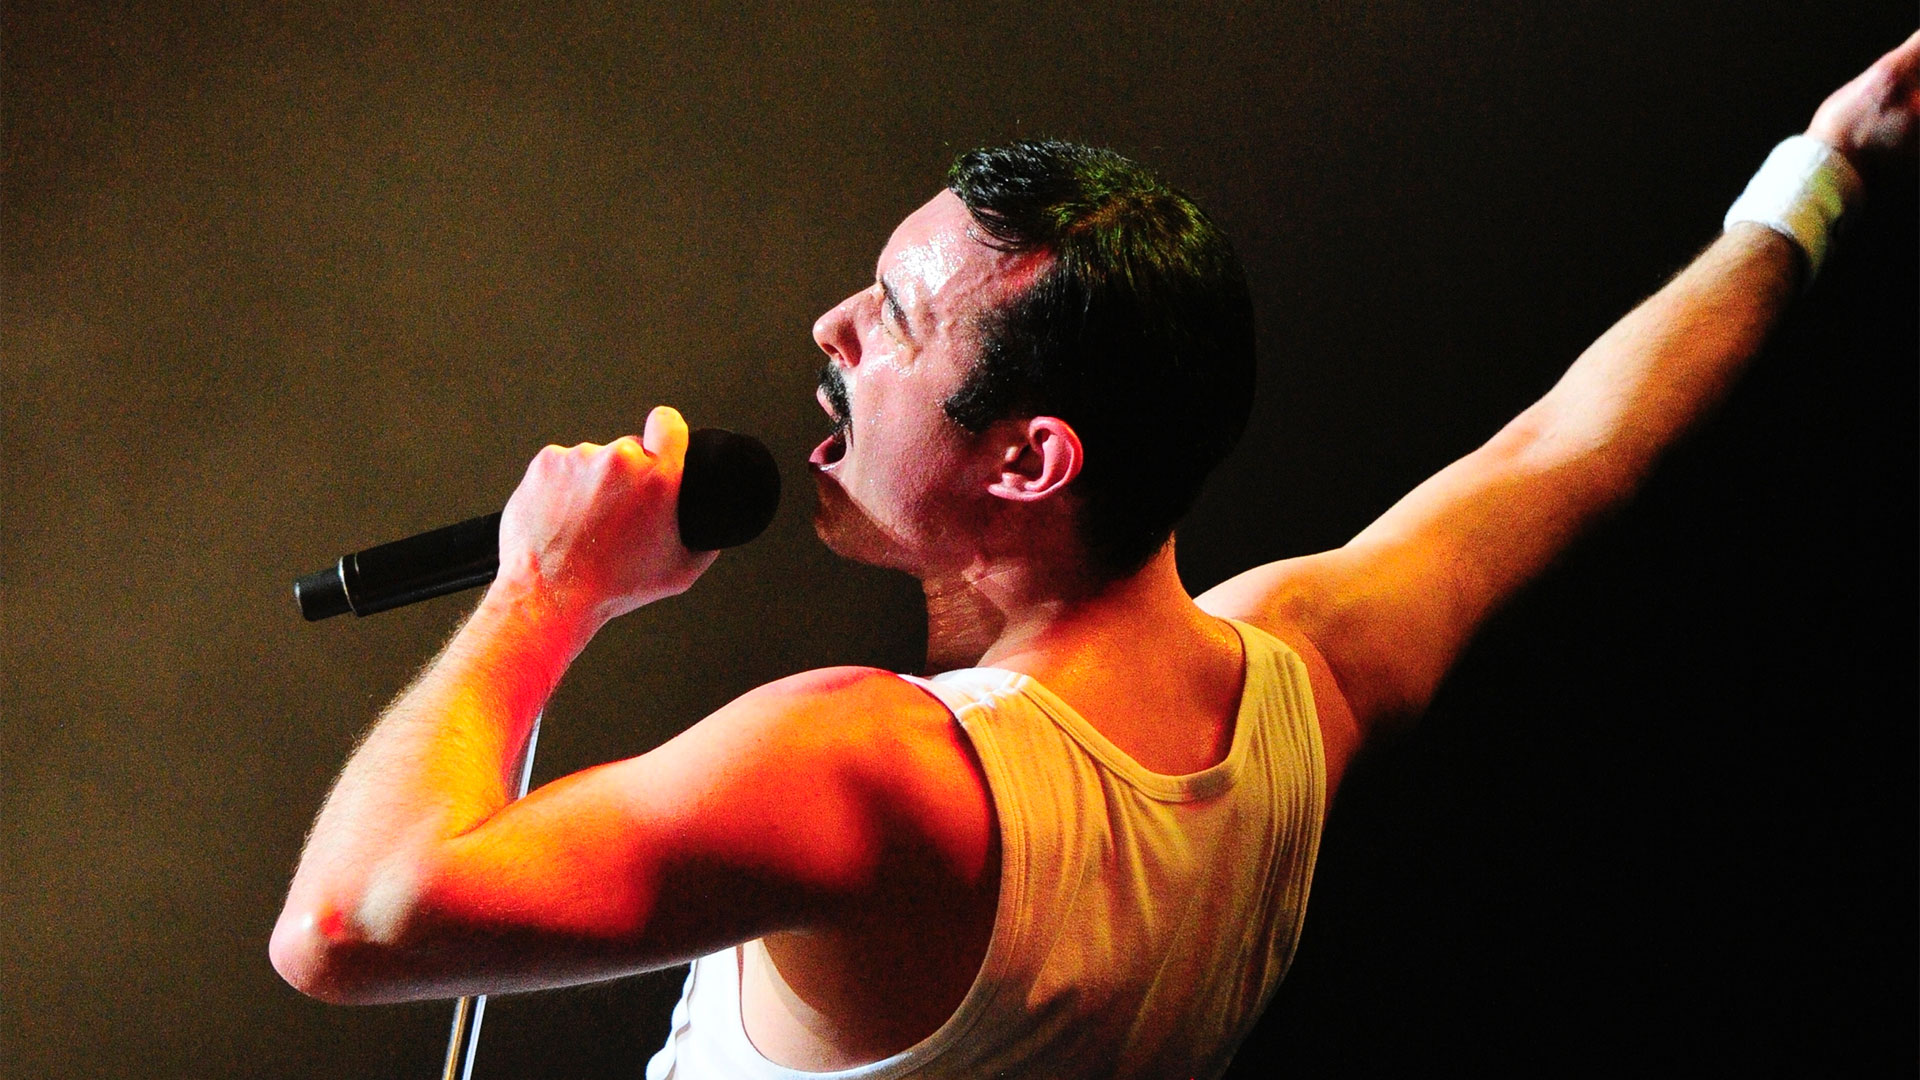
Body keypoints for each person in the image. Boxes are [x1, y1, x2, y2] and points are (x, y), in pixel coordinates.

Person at [271, 34, 1919, 1079]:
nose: (834, 332)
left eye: (898, 319)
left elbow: (345, 929)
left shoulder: (882, 773)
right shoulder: (1298, 684)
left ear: (1031, 456)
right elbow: (1572, 444)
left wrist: (546, 587)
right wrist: (1822, 174)